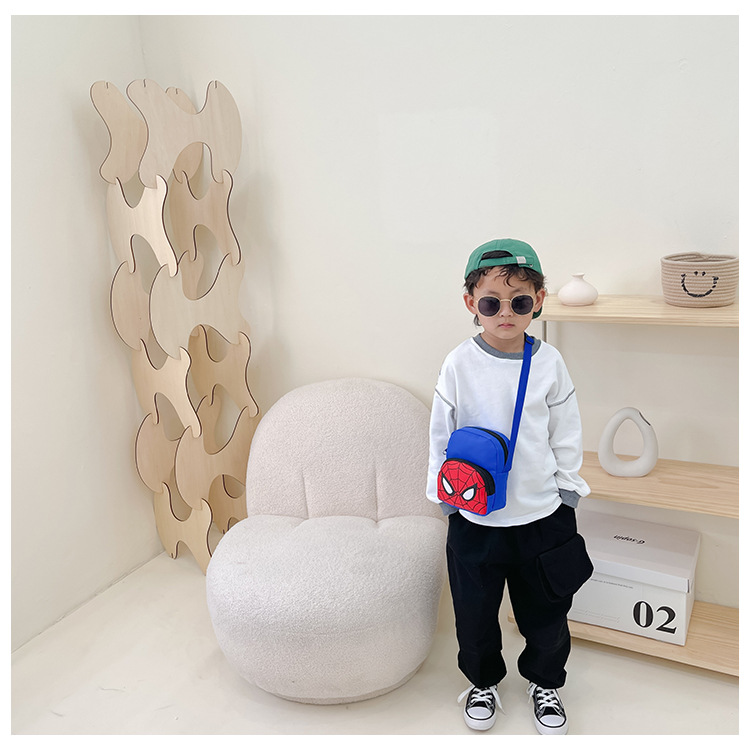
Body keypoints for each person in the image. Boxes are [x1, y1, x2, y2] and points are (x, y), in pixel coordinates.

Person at [426, 238, 593, 735]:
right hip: (473, 515)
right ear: (470, 303)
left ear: (538, 301)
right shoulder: (458, 363)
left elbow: (566, 429)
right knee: (474, 613)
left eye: (519, 302)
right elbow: (440, 430)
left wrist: (568, 490)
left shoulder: (549, 362)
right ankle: (483, 682)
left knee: (547, 612)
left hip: (542, 514)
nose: (505, 313)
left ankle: (545, 682)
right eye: (491, 303)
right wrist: (443, 500)